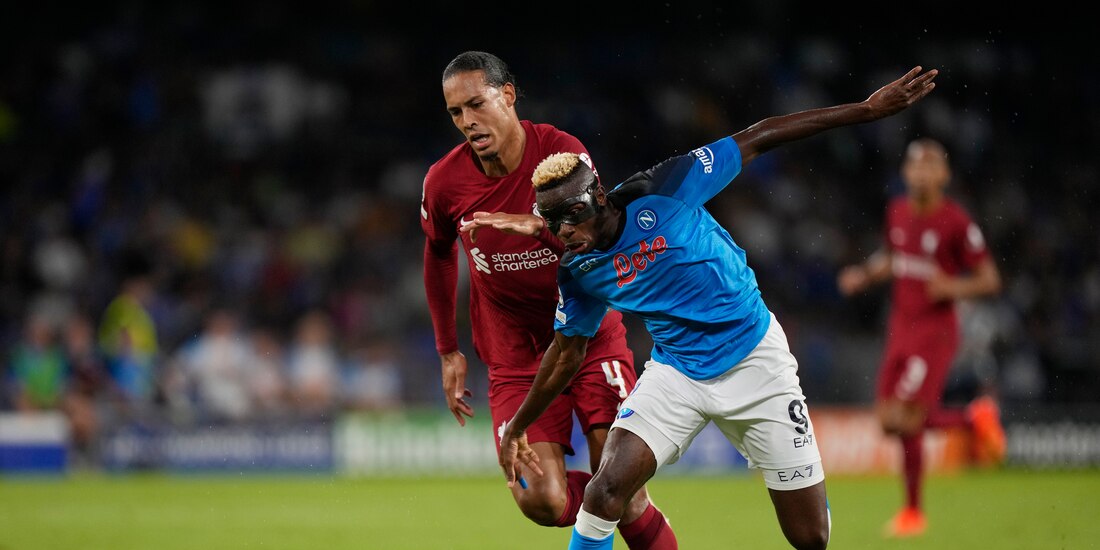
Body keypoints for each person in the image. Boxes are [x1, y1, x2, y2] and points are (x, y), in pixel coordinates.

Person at [497, 65, 940, 550]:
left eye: (571, 215)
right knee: (605, 492)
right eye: (552, 222)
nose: (563, 232)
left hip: (756, 360)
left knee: (810, 537)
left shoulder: (665, 188)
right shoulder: (577, 270)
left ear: (597, 197)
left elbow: (758, 136)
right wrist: (518, 425)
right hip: (677, 374)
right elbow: (565, 353)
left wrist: (866, 110)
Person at [420, 51, 678, 548]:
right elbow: (437, 255)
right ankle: (621, 503)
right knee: (541, 500)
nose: (468, 121)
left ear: (508, 95)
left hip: (586, 340)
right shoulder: (444, 183)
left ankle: (626, 502)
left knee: (619, 481)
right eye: (456, 112)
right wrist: (448, 349)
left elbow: (601, 239)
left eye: (477, 104)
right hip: (515, 358)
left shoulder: (561, 155)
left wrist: (538, 227)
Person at [836, 137, 1005, 538]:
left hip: (933, 333)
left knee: (907, 419)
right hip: (900, 327)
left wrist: (953, 288)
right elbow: (893, 258)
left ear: (944, 175)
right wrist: (864, 274)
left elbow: (990, 279)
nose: (922, 172)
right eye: (915, 165)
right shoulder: (896, 212)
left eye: (931, 165)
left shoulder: (956, 222)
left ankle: (913, 512)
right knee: (888, 422)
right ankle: (972, 418)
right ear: (905, 173)